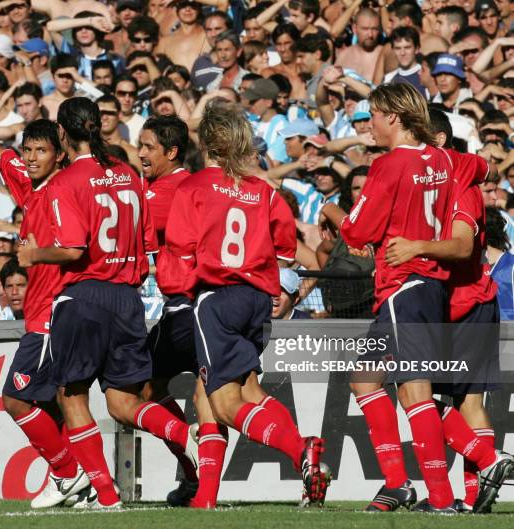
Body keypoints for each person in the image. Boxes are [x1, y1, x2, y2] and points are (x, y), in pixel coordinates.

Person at [334, 82, 511, 513]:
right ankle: (398, 483)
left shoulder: (389, 165)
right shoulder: (448, 160)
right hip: (426, 288)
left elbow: (356, 232)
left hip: (404, 285)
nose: (368, 124)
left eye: (373, 115)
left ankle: (457, 485)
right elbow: (484, 169)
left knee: (415, 392)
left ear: (392, 116)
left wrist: (332, 212)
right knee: (365, 379)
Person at [17, 97, 198, 510]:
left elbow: (73, 248)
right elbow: (147, 244)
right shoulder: (128, 174)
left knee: (71, 395)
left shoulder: (65, 183)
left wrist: (35, 254)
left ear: (62, 134)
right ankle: (187, 436)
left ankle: (105, 494)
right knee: (122, 401)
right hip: (128, 298)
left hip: (85, 296)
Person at [158, 101, 328, 507]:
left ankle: (300, 450)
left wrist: (175, 286)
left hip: (215, 298)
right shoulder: (264, 191)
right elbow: (287, 250)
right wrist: (273, 282)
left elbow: (179, 254)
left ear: (207, 143)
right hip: (256, 298)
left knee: (221, 402)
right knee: (249, 389)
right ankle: (208, 498)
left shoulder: (193, 187)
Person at [0, 113, 95, 508]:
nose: (29, 158)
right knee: (56, 404)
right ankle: (89, 485)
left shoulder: (64, 191)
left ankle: (66, 474)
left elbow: (76, 249)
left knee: (15, 399)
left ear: (59, 155)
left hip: (52, 315)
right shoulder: (29, 184)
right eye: (28, 150)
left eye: (40, 151)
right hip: (45, 314)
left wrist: (38, 254)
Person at [383, 108, 504, 513]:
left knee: (450, 400)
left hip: (467, 305)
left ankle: (480, 485)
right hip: (446, 305)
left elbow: (463, 246)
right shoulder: (434, 178)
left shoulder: (461, 184)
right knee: (432, 396)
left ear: (436, 141)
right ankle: (479, 489)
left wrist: (414, 247)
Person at [138, 115, 224, 509]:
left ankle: (195, 473)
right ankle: (199, 482)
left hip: (185, 308)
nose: (140, 153)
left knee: (145, 390)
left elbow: (127, 227)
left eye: (148, 147)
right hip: (207, 307)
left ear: (172, 153)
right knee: (216, 401)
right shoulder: (187, 185)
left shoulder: (167, 191)